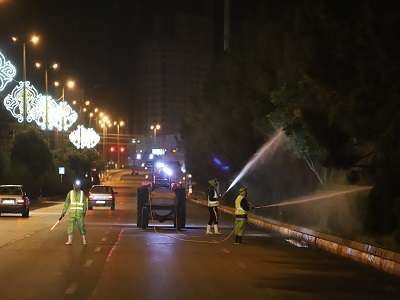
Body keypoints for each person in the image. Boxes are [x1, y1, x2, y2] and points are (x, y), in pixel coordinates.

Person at [61, 180, 88, 245]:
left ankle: (84, 240)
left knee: (81, 227)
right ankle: (69, 241)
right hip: (72, 214)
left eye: (78, 185)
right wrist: (64, 212)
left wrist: (84, 211)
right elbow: (66, 203)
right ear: (73, 185)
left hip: (80, 214)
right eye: (75, 185)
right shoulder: (70, 193)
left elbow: (85, 203)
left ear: (80, 186)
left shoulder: (82, 193)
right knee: (70, 227)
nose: (77, 186)